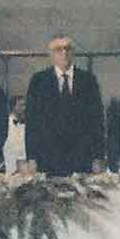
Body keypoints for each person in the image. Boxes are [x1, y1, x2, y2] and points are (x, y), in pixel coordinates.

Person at [25, 35, 104, 176]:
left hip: (82, 157)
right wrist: (31, 157)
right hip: (48, 158)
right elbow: (32, 122)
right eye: (58, 49)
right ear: (50, 54)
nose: (64, 53)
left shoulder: (88, 80)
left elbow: (97, 121)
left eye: (67, 48)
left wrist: (98, 157)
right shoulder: (38, 81)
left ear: (73, 52)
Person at [2, 95, 26, 175]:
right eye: (20, 105)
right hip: (9, 163)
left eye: (24, 105)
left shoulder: (25, 123)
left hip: (23, 163)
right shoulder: (5, 123)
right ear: (13, 107)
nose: (24, 108)